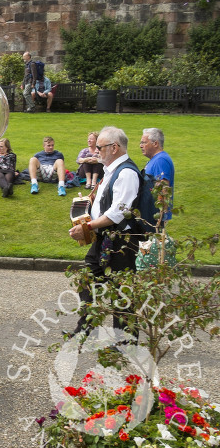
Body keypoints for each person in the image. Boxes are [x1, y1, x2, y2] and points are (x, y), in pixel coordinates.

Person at [68, 126, 141, 335]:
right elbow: (105, 203)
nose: (96, 150)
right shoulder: (111, 171)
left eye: (99, 147)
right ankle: (87, 327)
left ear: (114, 147)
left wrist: (86, 227)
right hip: (106, 239)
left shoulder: (126, 173)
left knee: (122, 293)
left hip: (122, 243)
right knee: (87, 281)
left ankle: (125, 341)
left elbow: (118, 213)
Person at [139, 127, 174, 223]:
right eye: (141, 143)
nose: (141, 146)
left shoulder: (160, 160)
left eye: (144, 142)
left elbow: (164, 188)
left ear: (155, 143)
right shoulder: (155, 159)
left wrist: (161, 216)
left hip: (155, 217)